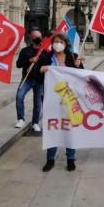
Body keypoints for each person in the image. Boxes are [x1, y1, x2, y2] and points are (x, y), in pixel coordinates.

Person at [38, 33, 84, 172]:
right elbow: (37, 72)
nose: (57, 44)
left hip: (69, 99)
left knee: (70, 127)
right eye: (55, 41)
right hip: (51, 98)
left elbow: (80, 75)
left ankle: (71, 158)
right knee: (52, 126)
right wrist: (42, 69)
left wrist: (79, 65)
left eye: (60, 41)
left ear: (65, 44)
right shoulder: (46, 57)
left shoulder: (72, 57)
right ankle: (50, 159)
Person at [15, 29, 45, 131]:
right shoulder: (25, 51)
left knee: (37, 103)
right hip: (27, 79)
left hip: (39, 80)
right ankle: (20, 119)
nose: (38, 39)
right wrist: (29, 60)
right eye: (36, 37)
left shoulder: (44, 51)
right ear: (31, 38)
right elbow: (18, 64)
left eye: (39, 37)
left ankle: (35, 122)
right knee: (19, 96)